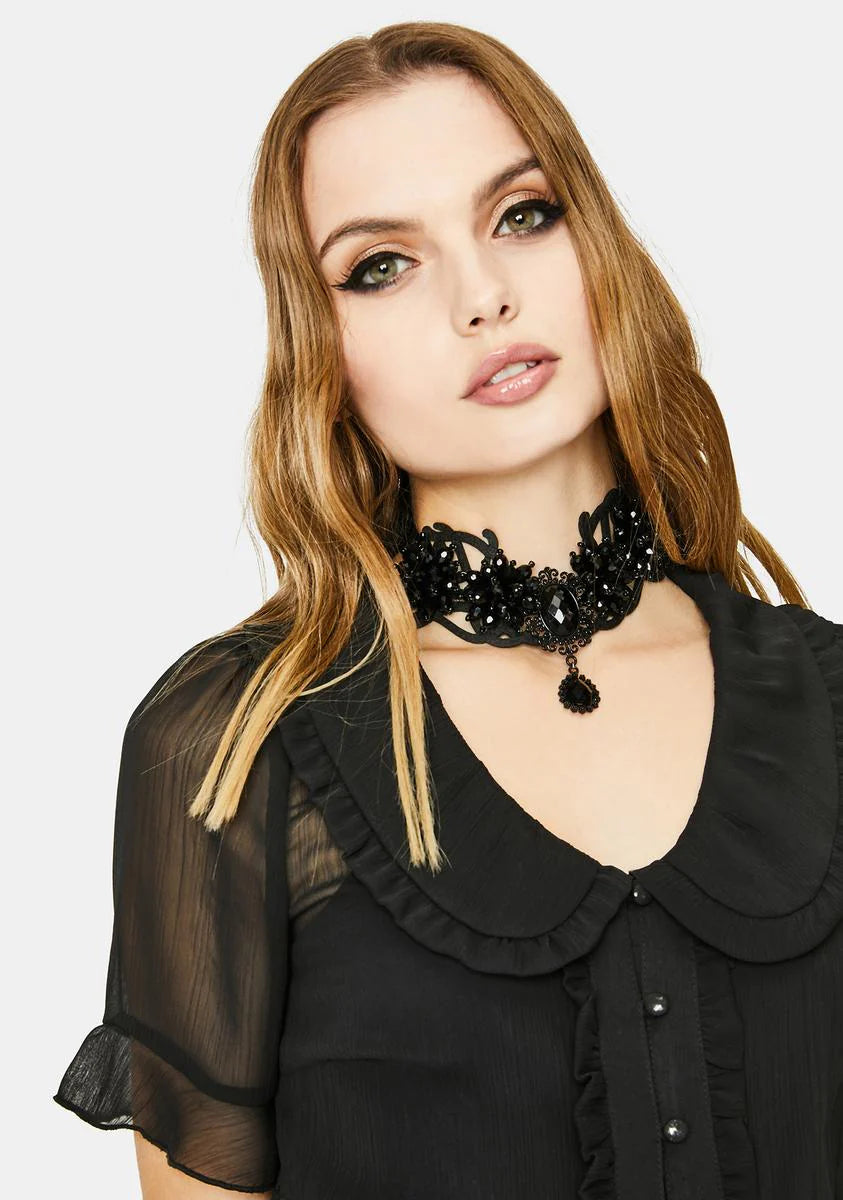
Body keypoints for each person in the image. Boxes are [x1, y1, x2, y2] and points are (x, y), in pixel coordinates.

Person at [53, 20, 843, 1200]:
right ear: (321, 349)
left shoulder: (827, 699)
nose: (484, 297)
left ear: (598, 243)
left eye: (523, 214)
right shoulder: (237, 748)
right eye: (383, 265)